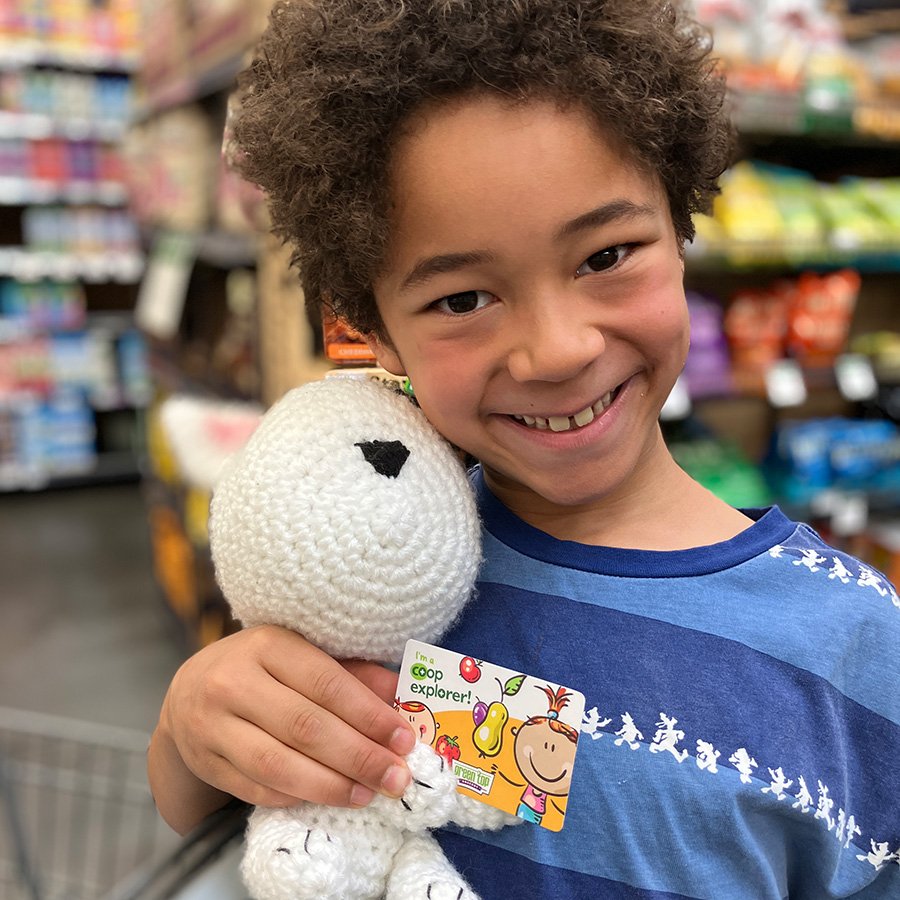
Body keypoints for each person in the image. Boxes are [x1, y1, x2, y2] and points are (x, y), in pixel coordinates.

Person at [147, 1, 900, 896]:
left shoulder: (850, 642)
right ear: (377, 332)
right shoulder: (369, 564)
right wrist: (193, 726)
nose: (558, 350)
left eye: (607, 253)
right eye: (463, 299)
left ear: (684, 222)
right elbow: (198, 805)